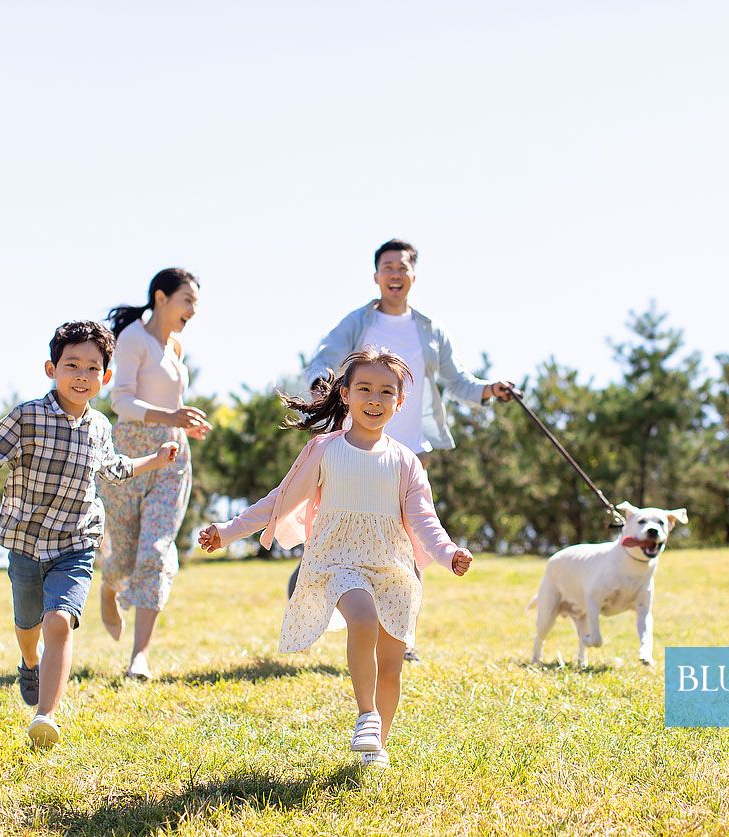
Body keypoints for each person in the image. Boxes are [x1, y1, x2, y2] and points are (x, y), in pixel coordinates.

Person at [198, 348, 472, 769]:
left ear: (400, 403)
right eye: (364, 389)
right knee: (361, 618)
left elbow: (424, 519)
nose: (375, 399)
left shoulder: (406, 461)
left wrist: (449, 552)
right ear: (344, 394)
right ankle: (366, 714)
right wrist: (228, 531)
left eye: (386, 392)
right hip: (337, 559)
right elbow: (279, 499)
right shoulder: (325, 450)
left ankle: (377, 744)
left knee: (392, 665)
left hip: (392, 566)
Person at [0, 321, 178, 747]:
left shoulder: (99, 426)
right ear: (51, 368)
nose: (81, 375)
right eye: (71, 365)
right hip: (26, 541)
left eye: (92, 368)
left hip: (76, 541)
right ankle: (30, 661)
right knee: (28, 624)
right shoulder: (27, 415)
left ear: (106, 377)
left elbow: (114, 468)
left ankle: (45, 715)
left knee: (59, 621)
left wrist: (154, 460)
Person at [299, 238, 511, 661]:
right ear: (376, 276)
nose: (395, 274)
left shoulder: (430, 329)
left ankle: (403, 635)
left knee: (411, 540)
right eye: (388, 267)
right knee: (344, 527)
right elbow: (323, 359)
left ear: (414, 276)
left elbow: (457, 380)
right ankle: (318, 576)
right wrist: (323, 383)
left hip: (411, 449)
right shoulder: (358, 323)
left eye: (403, 267)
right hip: (360, 447)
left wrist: (489, 390)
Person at [97, 268, 211, 680]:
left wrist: (183, 426)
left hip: (171, 456)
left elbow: (170, 403)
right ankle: (109, 588)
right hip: (127, 452)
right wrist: (170, 415)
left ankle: (138, 657)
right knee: (123, 555)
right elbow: (120, 401)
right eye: (188, 300)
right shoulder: (133, 340)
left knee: (157, 549)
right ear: (161, 297)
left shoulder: (175, 346)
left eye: (196, 303)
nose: (193, 311)